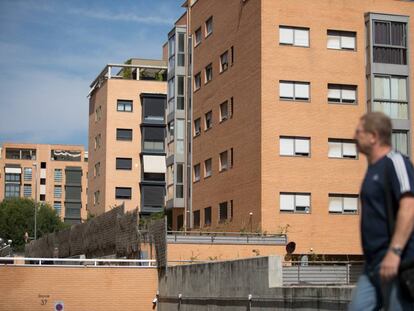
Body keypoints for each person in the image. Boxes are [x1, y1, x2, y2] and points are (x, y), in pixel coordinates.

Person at [349, 112, 414, 310]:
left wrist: (394, 252)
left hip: (398, 263)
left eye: (358, 131)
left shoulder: (396, 162)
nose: (353, 136)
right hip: (372, 265)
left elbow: (410, 206)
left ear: (374, 136)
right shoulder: (372, 170)